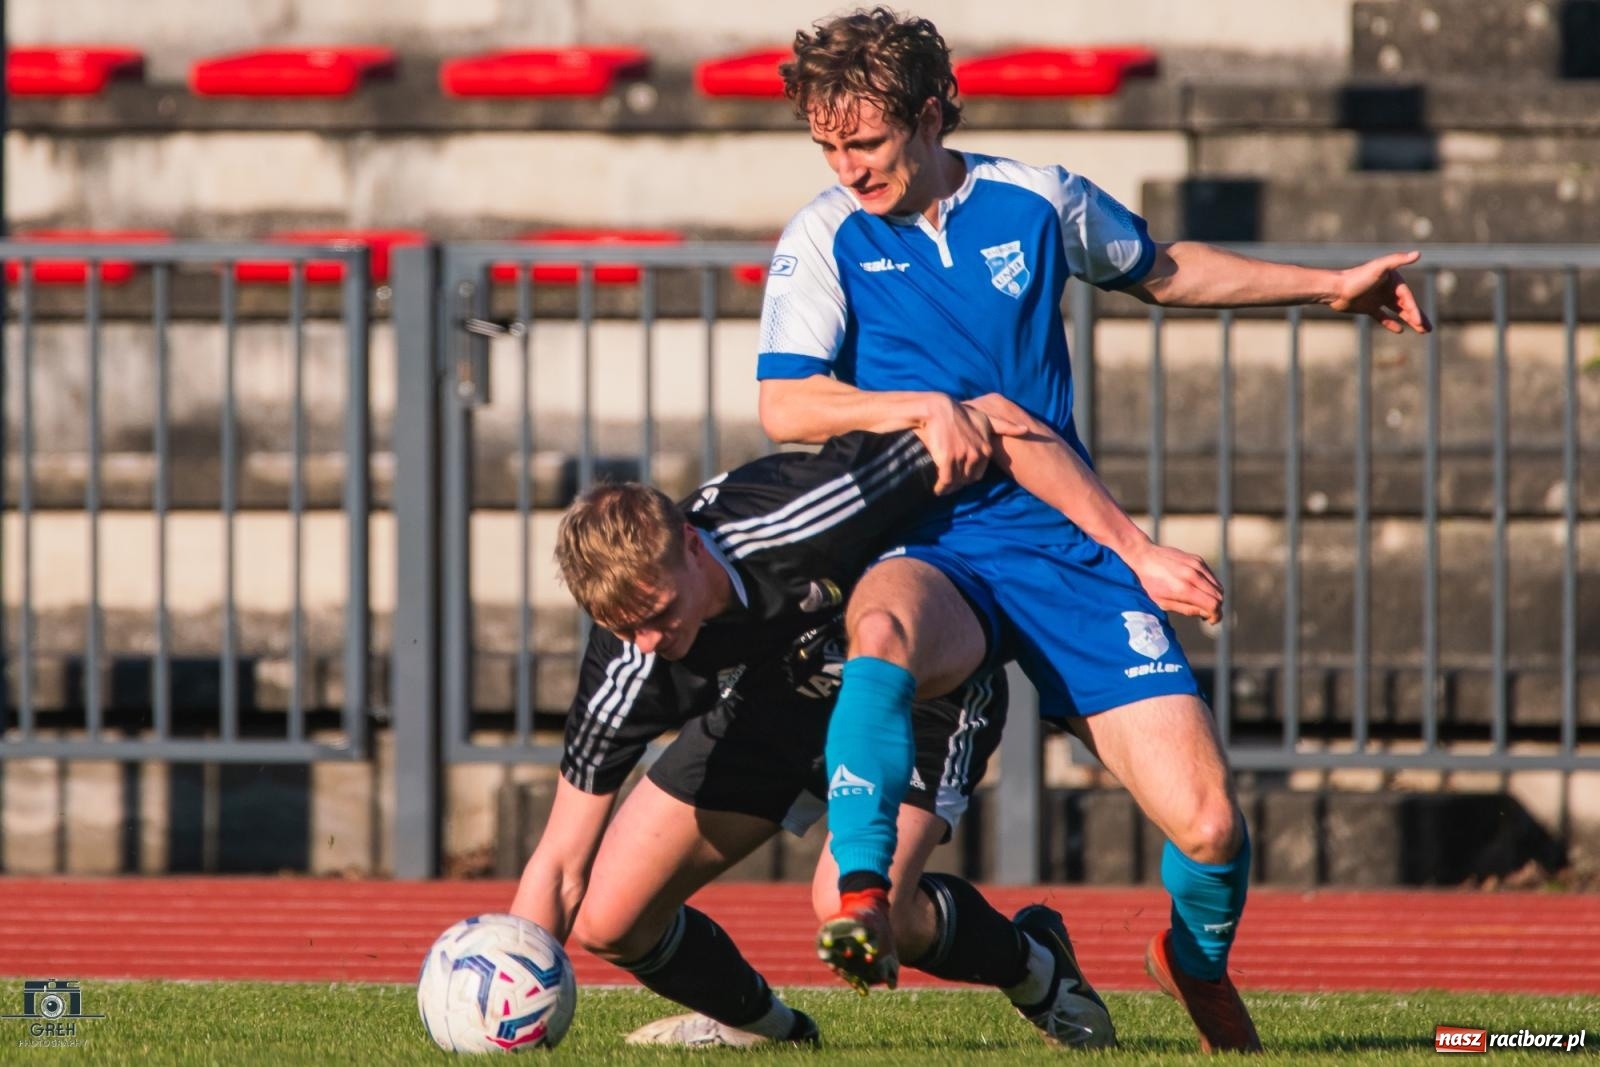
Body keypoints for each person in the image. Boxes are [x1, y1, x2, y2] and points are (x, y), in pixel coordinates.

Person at [759, 8, 1435, 1054]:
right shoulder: (824, 235)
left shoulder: (1037, 199)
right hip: (926, 548)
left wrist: (1330, 287)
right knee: (880, 636)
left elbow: (1164, 269)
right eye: (827, 148)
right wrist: (916, 409)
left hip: (1068, 545)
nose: (846, 169)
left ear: (932, 114)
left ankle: (1192, 960)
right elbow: (787, 404)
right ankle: (859, 891)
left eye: (866, 144)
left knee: (1209, 827)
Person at [513, 427, 1191, 1049]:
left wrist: (1129, 549)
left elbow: (985, 427)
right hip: (776, 703)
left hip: (919, 691)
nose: (652, 644)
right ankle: (772, 1033)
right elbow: (559, 862)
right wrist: (516, 988)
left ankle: (1035, 965)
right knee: (610, 918)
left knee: (864, 907)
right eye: (629, 628)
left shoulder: (807, 507)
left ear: (692, 544)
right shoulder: (631, 658)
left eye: (660, 614)